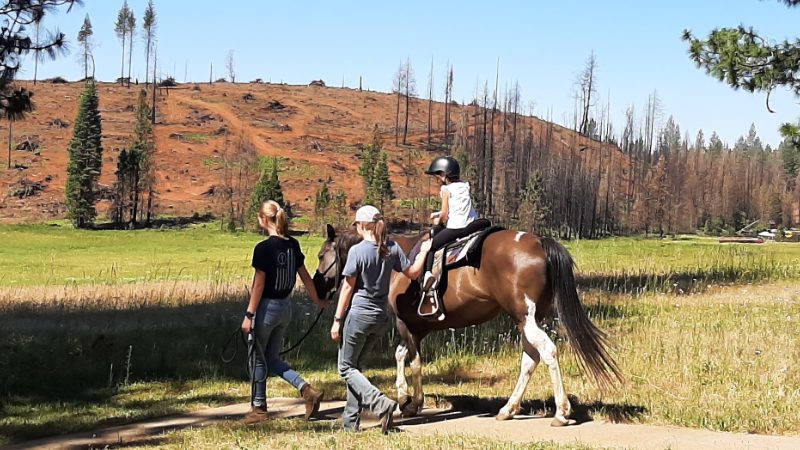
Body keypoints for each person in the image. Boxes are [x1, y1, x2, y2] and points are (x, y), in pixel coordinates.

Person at [330, 205, 432, 433]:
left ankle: (380, 403)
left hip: (359, 316)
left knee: (345, 368)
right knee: (356, 368)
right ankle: (350, 423)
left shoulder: (358, 252)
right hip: (381, 317)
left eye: (356, 224)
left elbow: (347, 289)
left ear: (363, 226)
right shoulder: (392, 248)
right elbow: (414, 273)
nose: (355, 228)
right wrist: (424, 251)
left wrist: (337, 320)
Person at [241, 200, 329, 424]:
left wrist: (249, 314)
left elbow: (259, 285)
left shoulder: (263, 248)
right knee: (271, 358)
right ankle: (306, 389)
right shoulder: (293, 245)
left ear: (263, 219)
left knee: (257, 358)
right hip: (285, 308)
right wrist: (317, 300)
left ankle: (258, 408)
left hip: (267, 309)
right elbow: (306, 277)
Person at [420, 156, 479, 304]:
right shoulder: (465, 185)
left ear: (444, 175)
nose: (437, 180)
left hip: (457, 228)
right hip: (472, 224)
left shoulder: (445, 189)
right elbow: (458, 207)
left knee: (430, 247)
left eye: (437, 177)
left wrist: (437, 220)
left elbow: (445, 215)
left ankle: (428, 276)